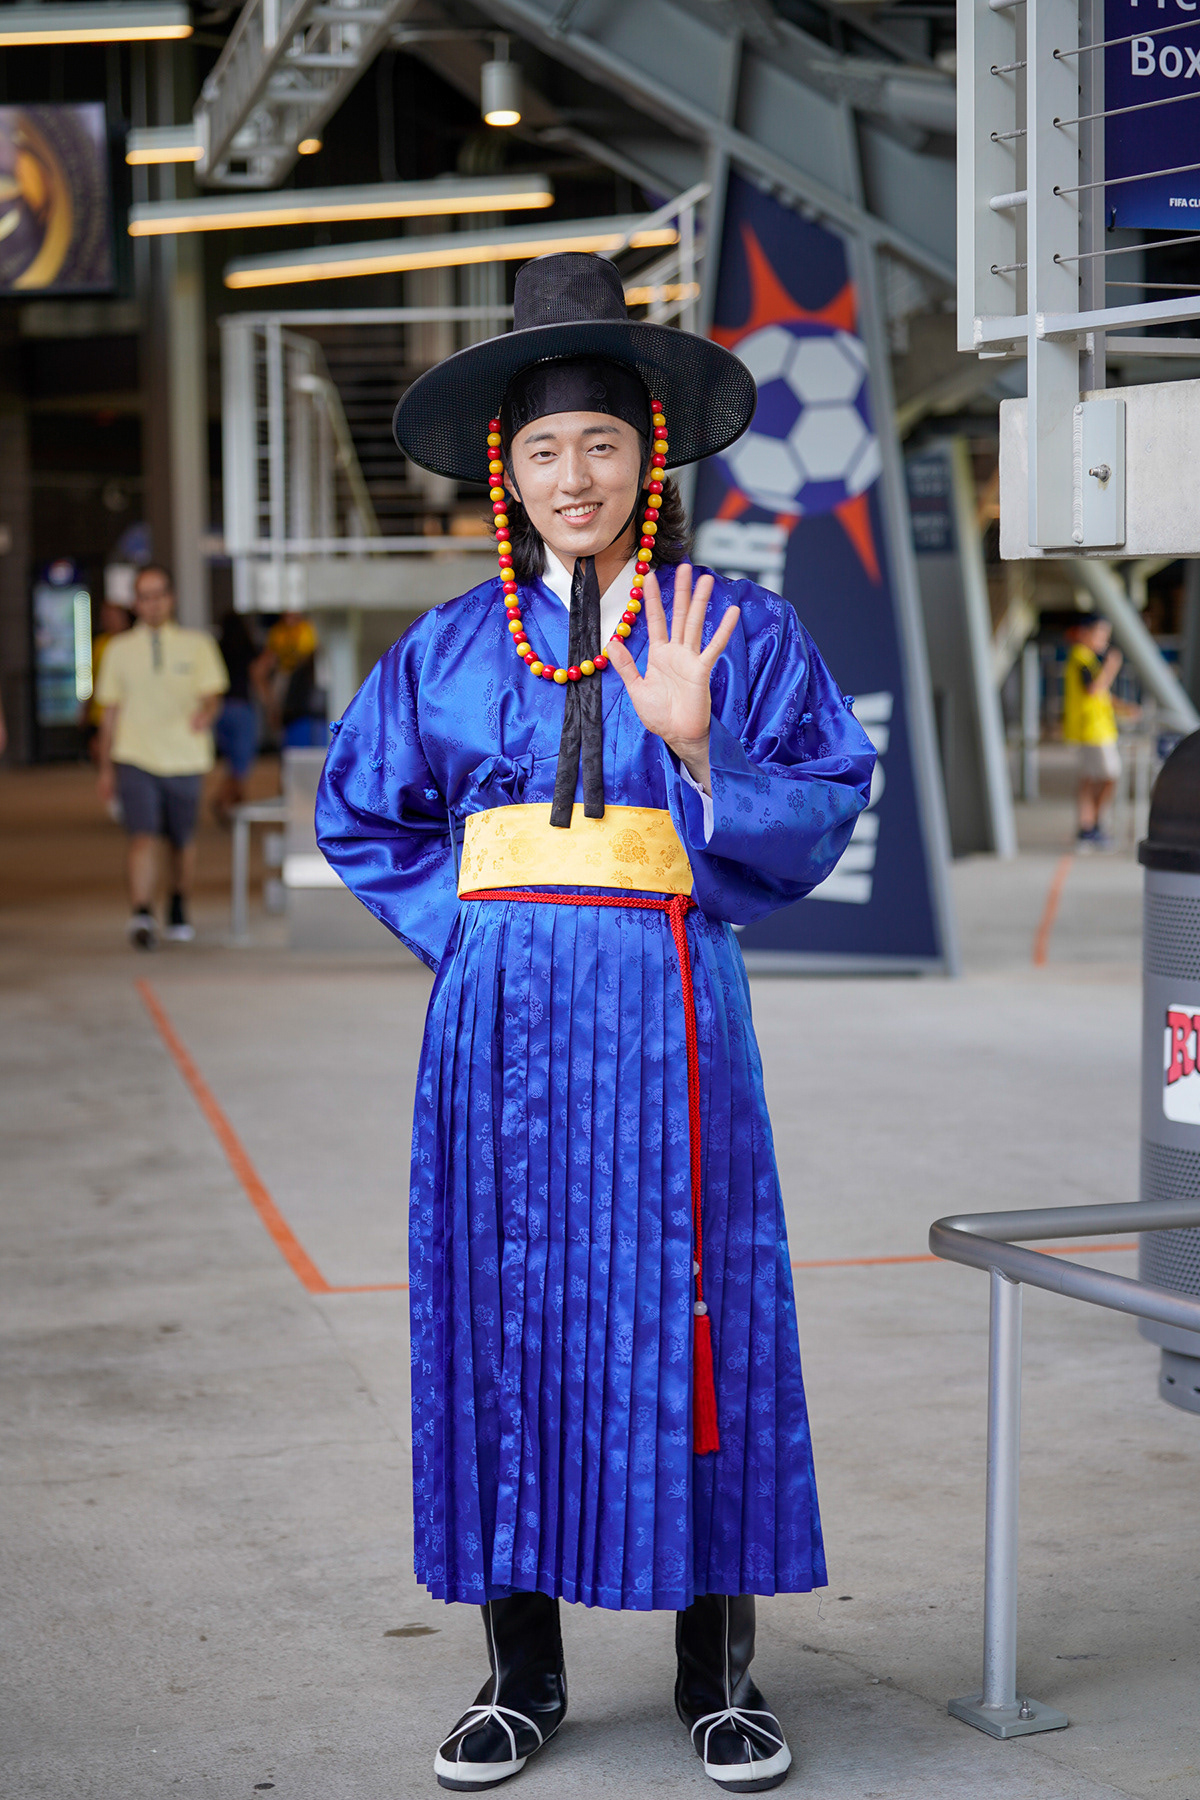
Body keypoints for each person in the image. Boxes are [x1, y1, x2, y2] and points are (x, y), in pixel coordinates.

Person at [316, 253, 875, 1793]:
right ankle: (521, 1676)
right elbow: (361, 812)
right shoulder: (447, 646)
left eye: (604, 445)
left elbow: (827, 791)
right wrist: (476, 930)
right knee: (502, 1322)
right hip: (495, 1025)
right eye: (546, 448)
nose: (575, 478)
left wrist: (699, 755)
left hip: (667, 1009)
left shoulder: (735, 625)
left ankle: (720, 1679)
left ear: (651, 456)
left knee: (698, 1315)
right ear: (509, 468)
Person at [94, 563, 228, 949]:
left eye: (158, 595)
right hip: (134, 755)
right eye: (144, 597)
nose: (152, 604)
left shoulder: (197, 645)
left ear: (171, 598)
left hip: (185, 756)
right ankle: (141, 912)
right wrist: (105, 768)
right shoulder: (118, 649)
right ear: (135, 603)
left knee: (181, 840)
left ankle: (178, 903)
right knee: (142, 836)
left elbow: (212, 695)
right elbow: (110, 711)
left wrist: (207, 714)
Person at [1062, 614, 1127, 849]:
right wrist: (1111, 666)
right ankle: (1091, 825)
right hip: (1091, 731)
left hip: (1097, 729)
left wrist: (1124, 708)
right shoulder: (1080, 657)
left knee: (1092, 778)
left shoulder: (1088, 659)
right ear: (1085, 633)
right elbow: (1093, 689)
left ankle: (1089, 826)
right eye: (1101, 634)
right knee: (1108, 775)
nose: (1104, 640)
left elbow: (1101, 696)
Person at [212, 610, 262, 821]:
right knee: (241, 766)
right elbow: (256, 677)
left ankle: (234, 803)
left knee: (232, 763)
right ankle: (226, 802)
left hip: (220, 709)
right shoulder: (247, 648)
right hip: (241, 708)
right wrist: (269, 705)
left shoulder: (217, 648)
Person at [253, 608, 325, 748]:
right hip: (285, 673)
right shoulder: (278, 631)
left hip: (304, 677)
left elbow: (312, 655)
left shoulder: (307, 628)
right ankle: (280, 735)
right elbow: (269, 657)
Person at [80, 599, 131, 765]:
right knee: (100, 751)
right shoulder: (100, 643)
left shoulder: (132, 643)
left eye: (114, 616)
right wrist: (86, 707)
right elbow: (94, 678)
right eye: (106, 616)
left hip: (126, 710)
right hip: (101, 709)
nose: (110, 620)